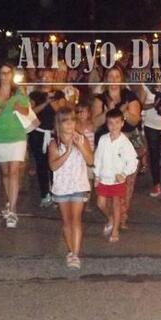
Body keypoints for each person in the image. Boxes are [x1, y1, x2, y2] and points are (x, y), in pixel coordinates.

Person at [92, 66, 143, 228]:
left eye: (117, 76)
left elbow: (135, 120)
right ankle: (112, 215)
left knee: (126, 182)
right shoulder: (100, 99)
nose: (114, 80)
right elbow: (94, 123)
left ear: (122, 79)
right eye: (110, 76)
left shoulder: (130, 96)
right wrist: (110, 112)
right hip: (107, 143)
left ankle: (122, 216)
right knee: (107, 180)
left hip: (127, 141)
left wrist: (123, 113)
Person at [48, 107, 94, 269]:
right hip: (61, 187)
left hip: (78, 185)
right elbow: (53, 166)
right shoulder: (54, 144)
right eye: (65, 121)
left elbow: (90, 160)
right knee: (66, 220)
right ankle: (70, 250)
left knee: (76, 219)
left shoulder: (82, 139)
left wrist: (79, 145)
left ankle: (75, 253)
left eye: (72, 120)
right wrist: (67, 151)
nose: (69, 125)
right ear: (59, 124)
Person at [0, 63, 31, 228]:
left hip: (17, 136)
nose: (6, 76)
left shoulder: (19, 92)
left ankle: (13, 210)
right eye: (3, 72)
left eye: (9, 73)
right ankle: (9, 202)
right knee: (6, 173)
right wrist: (0, 109)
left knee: (14, 172)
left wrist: (18, 107)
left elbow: (27, 112)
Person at [94, 108, 138, 243]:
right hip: (104, 178)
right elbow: (98, 157)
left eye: (117, 123)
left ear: (122, 123)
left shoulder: (125, 142)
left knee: (116, 204)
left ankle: (115, 230)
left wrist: (124, 173)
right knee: (100, 203)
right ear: (106, 124)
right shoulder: (103, 139)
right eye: (110, 123)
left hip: (117, 180)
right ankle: (111, 218)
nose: (113, 126)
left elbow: (133, 160)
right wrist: (96, 175)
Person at [29, 70, 67, 207]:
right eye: (43, 76)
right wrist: (45, 102)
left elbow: (62, 112)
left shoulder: (59, 94)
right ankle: (44, 193)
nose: (46, 79)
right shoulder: (34, 95)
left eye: (49, 77)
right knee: (41, 165)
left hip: (54, 133)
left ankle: (56, 193)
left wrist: (52, 102)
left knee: (55, 165)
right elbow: (31, 112)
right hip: (38, 133)